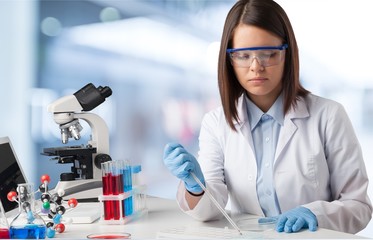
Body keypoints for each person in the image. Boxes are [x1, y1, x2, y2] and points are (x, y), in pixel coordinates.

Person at [163, 0, 372, 234]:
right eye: (243, 56)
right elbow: (212, 210)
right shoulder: (216, 123)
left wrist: (315, 214)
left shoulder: (329, 115)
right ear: (229, 60)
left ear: (287, 54)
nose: (256, 67)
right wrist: (195, 186)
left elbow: (358, 207)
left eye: (268, 54)